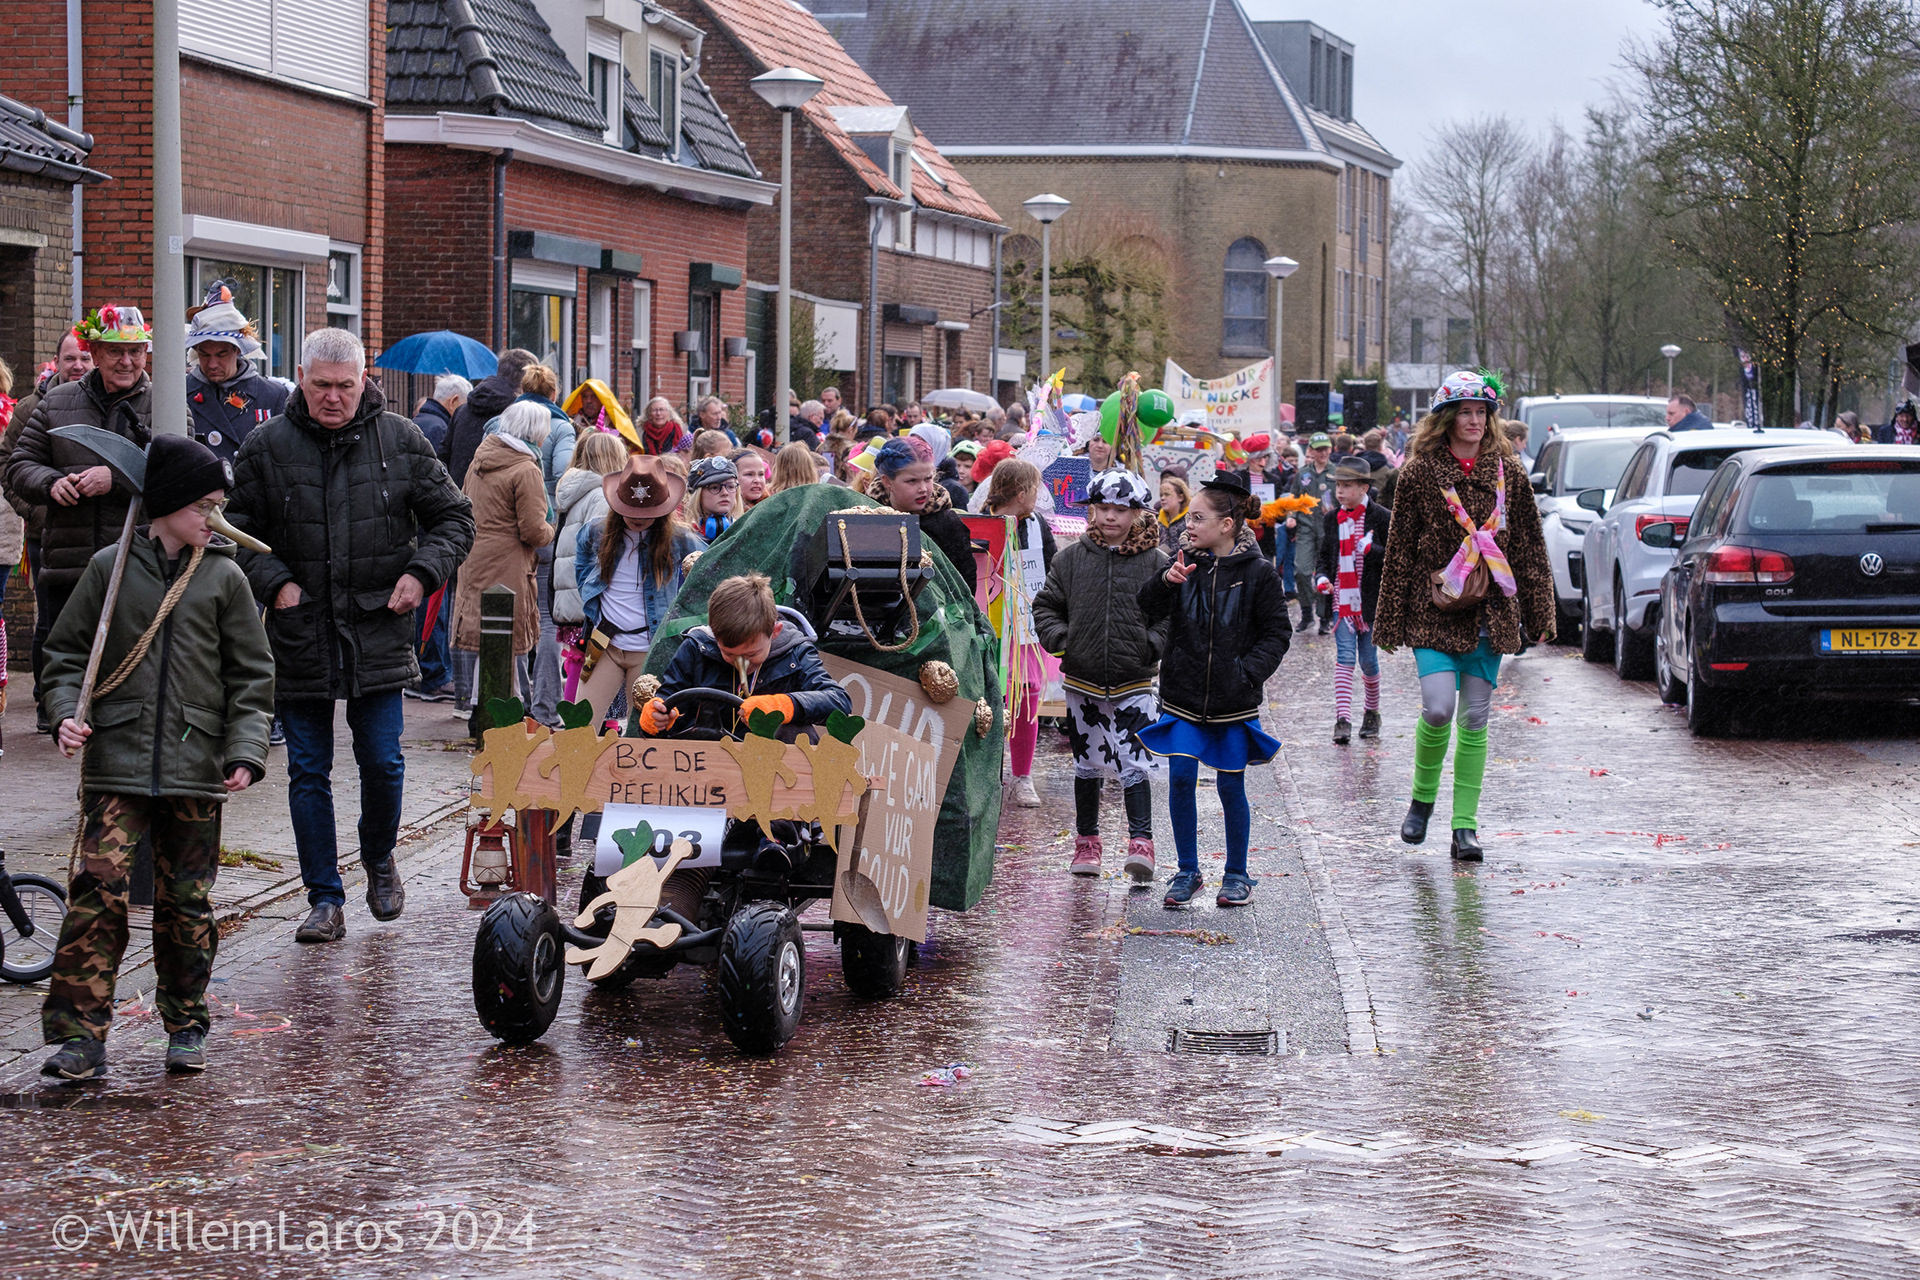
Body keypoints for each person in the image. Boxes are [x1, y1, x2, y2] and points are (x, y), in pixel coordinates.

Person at [226, 328, 475, 944]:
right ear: (301, 380)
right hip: (300, 623)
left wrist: (422, 573)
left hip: (378, 623)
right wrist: (273, 581)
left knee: (383, 762)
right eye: (320, 386)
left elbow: (454, 518)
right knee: (308, 768)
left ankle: (380, 857)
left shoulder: (402, 440)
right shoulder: (267, 445)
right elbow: (233, 528)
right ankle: (323, 898)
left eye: (344, 386)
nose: (332, 398)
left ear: (364, 381)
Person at [38, 435, 274, 1079]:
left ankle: (186, 1021)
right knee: (97, 890)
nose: (216, 520)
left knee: (185, 900)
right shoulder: (107, 568)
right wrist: (65, 713)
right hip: (116, 755)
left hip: (196, 764)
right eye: (206, 506)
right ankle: (79, 1035)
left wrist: (247, 749)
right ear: (169, 505)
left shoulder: (223, 577)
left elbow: (251, 677)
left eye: (222, 507)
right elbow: (63, 656)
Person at [1372, 370, 1556, 862]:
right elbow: (1400, 551)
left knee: (1475, 717)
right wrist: (1388, 620)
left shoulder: (1510, 472)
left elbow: (1530, 548)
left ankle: (1465, 826)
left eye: (1482, 412)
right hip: (1434, 607)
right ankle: (1422, 798)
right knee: (1438, 708)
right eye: (1465, 412)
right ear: (1447, 418)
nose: (1474, 421)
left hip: (1490, 611)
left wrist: (1540, 610)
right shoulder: (1418, 472)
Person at [1137, 473, 1291, 907]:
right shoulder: (1185, 561)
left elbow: (1277, 633)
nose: (1188, 525)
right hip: (1183, 694)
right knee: (1181, 776)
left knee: (1230, 785)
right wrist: (1167, 581)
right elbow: (1146, 607)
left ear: (1227, 525)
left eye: (1198, 517)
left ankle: (1236, 874)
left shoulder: (1259, 574)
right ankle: (1187, 871)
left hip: (1232, 701)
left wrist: (1247, 672)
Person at [6, 305, 158, 734]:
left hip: (138, 561)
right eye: (114, 352)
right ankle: (65, 724)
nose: (126, 362)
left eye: (135, 352)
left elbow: (178, 473)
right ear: (94, 350)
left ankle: (125, 736)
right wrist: (51, 483)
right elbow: (20, 464)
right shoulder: (57, 401)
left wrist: (118, 477)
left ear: (147, 352)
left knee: (130, 657)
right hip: (68, 560)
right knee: (65, 649)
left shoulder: (166, 402)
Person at [1033, 470, 1167, 880]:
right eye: (1103, 508)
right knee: (1087, 762)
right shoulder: (1070, 558)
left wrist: (1151, 645)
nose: (1110, 517)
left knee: (1134, 760)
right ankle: (1087, 843)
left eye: (1120, 510)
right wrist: (1064, 642)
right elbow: (1046, 607)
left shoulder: (1155, 562)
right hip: (1083, 678)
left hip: (1135, 676)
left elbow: (1168, 616)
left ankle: (1141, 842)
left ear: (1136, 513)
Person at [0, 327, 93, 732]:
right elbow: (10, 466)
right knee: (51, 622)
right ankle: (47, 701)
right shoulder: (32, 408)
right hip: (47, 535)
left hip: (104, 535)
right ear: (58, 362)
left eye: (85, 358)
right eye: (70, 358)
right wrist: (37, 511)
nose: (78, 365)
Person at [639, 573, 851, 750]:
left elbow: (839, 702)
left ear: (774, 631)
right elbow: (667, 701)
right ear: (714, 633)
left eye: (750, 654)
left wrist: (780, 705)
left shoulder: (797, 651)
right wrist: (656, 718)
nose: (741, 663)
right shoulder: (695, 648)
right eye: (728, 654)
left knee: (794, 732)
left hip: (772, 768)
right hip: (699, 763)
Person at [572, 453, 704, 729]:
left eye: (646, 513)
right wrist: (589, 590)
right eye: (630, 511)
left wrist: (684, 618)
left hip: (649, 649)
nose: (637, 519)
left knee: (646, 733)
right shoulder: (598, 531)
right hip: (605, 643)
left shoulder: (681, 540)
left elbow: (708, 569)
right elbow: (581, 552)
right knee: (580, 727)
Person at [453, 400, 556, 709]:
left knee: (488, 642)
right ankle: (502, 718)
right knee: (506, 643)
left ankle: (479, 710)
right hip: (509, 564)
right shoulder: (526, 468)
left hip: (477, 557)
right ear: (535, 432)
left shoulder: (480, 458)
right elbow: (533, 531)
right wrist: (553, 529)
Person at [979, 457, 1056, 807]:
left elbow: (1053, 567)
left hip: (1026, 626)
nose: (1038, 497)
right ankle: (988, 774)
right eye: (1036, 489)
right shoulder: (979, 521)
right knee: (991, 699)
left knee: (1028, 693)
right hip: (992, 625)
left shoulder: (1039, 523)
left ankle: (1022, 776)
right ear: (1022, 492)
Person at [1314, 459, 1392, 744]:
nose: (1340, 491)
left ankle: (1372, 712)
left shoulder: (1382, 517)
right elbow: (1325, 557)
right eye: (1338, 485)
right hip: (1341, 602)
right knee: (1345, 658)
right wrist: (1321, 578)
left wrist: (1371, 549)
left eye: (1347, 486)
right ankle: (1342, 719)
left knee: (1369, 661)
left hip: (1370, 602)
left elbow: (1394, 559)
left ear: (1364, 487)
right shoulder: (1331, 518)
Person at [551, 430, 627, 701]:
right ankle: (587, 725)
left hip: (570, 596)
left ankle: (578, 720)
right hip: (589, 600)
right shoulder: (600, 497)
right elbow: (601, 549)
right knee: (596, 666)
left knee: (579, 663)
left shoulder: (574, 492)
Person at [183, 282, 290, 465]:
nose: (212, 363)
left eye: (221, 354)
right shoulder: (181, 393)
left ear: (238, 350)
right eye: (204, 354)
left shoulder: (274, 396)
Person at [870, 436, 978, 596]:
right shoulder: (868, 516)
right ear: (887, 481)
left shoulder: (947, 522)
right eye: (912, 481)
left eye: (928, 478)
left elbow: (965, 584)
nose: (923, 489)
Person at [441, 348, 537, 488]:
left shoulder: (462, 411)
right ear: (526, 379)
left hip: (457, 499)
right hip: (497, 501)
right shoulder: (518, 414)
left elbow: (443, 457)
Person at [1286, 432, 1337, 633]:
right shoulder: (1302, 474)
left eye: (1326, 448)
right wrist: (1290, 515)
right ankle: (1306, 613)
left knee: (1325, 575)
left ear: (1331, 449)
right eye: (1319, 449)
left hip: (1328, 529)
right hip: (1306, 527)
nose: (1323, 452)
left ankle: (1324, 617)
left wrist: (1336, 510)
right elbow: (1293, 497)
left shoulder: (1337, 472)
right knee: (1302, 571)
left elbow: (1346, 498)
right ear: (1312, 451)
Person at [685, 455, 741, 541]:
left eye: (730, 487)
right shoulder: (685, 538)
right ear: (698, 495)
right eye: (714, 487)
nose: (725, 493)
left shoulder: (743, 532)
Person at [412, 373, 469, 454]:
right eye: (464, 406)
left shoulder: (415, 421)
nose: (465, 412)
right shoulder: (441, 430)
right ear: (453, 401)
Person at [1157, 473, 1189, 554]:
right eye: (1161, 495)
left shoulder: (1190, 521)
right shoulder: (1157, 521)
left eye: (1167, 494)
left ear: (1181, 497)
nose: (1162, 498)